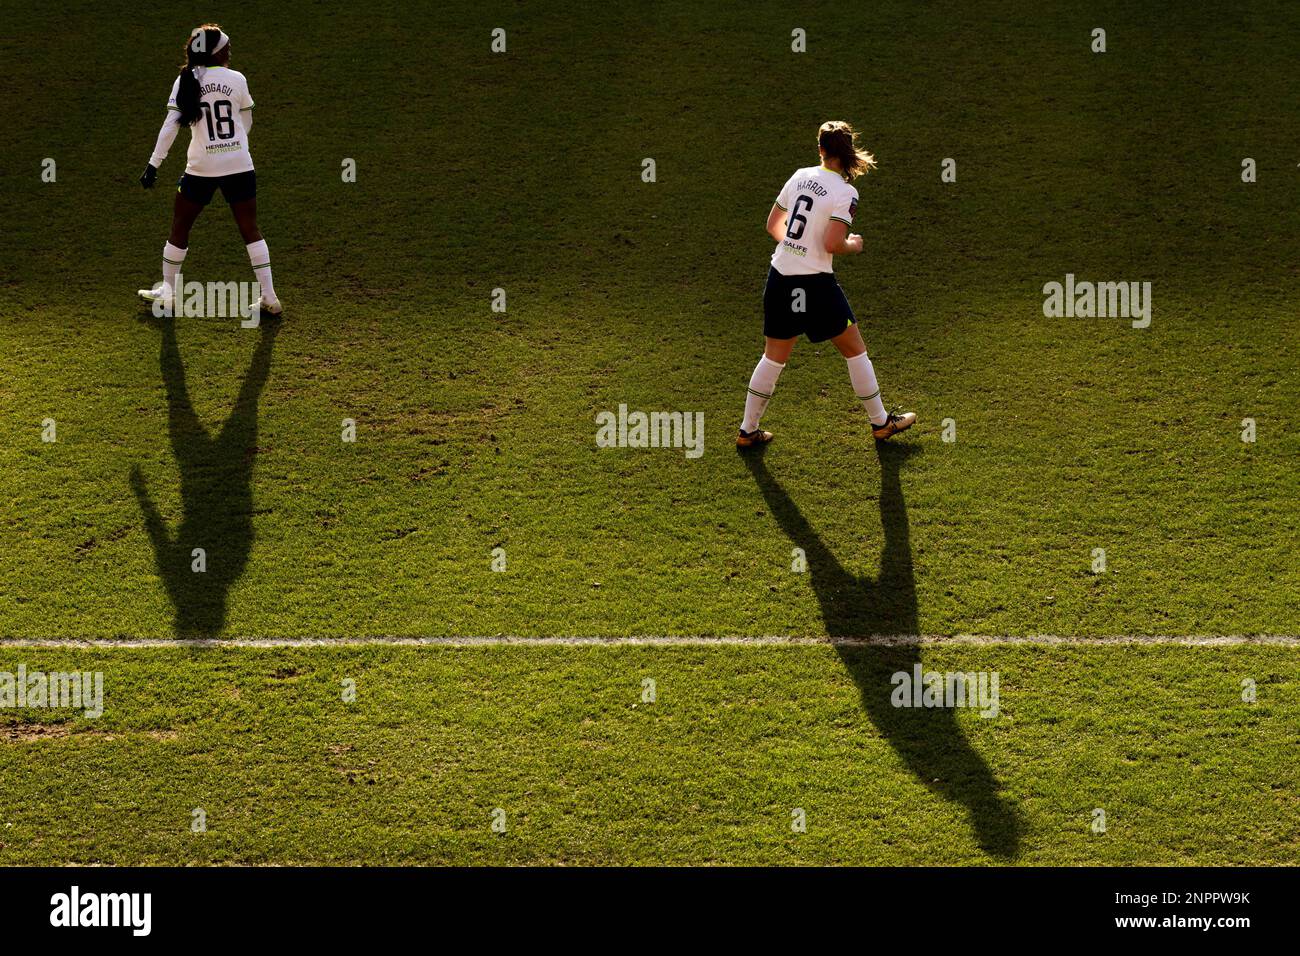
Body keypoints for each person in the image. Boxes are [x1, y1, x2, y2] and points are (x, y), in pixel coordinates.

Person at [738, 121, 913, 447]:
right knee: (854, 349)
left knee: (773, 357)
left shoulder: (799, 175)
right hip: (816, 286)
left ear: (820, 149)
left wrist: (797, 247)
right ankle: (881, 422)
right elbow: (834, 242)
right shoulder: (845, 192)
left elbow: (773, 224)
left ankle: (748, 430)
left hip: (780, 278)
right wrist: (853, 244)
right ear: (846, 152)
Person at [137, 24, 281, 318]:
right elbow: (246, 123)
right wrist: (234, 148)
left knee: (180, 226)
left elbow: (170, 126)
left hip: (201, 166)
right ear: (217, 52)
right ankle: (270, 296)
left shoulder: (186, 80)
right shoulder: (237, 79)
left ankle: (169, 292)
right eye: (227, 47)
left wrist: (154, 163)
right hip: (240, 164)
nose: (230, 50)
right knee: (250, 228)